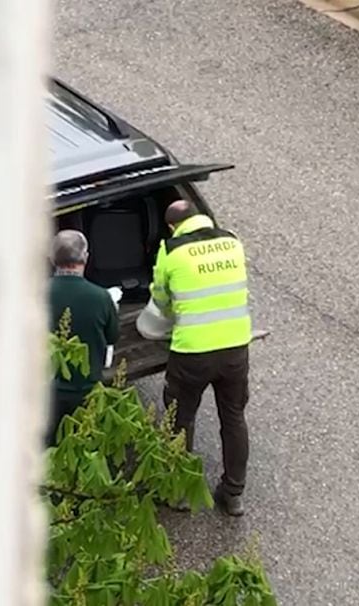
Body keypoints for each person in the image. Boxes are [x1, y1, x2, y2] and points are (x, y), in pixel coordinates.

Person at [150, 200, 252, 516]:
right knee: (233, 418)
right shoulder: (232, 240)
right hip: (235, 347)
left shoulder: (171, 250)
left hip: (192, 351)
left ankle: (179, 492)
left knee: (181, 419)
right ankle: (233, 493)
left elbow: (161, 299)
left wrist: (171, 314)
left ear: (172, 227)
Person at [48, 230, 119, 446]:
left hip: (46, 389)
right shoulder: (101, 297)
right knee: (83, 445)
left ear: (52, 259)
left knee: (48, 446)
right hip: (86, 388)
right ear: (85, 258)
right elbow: (112, 336)